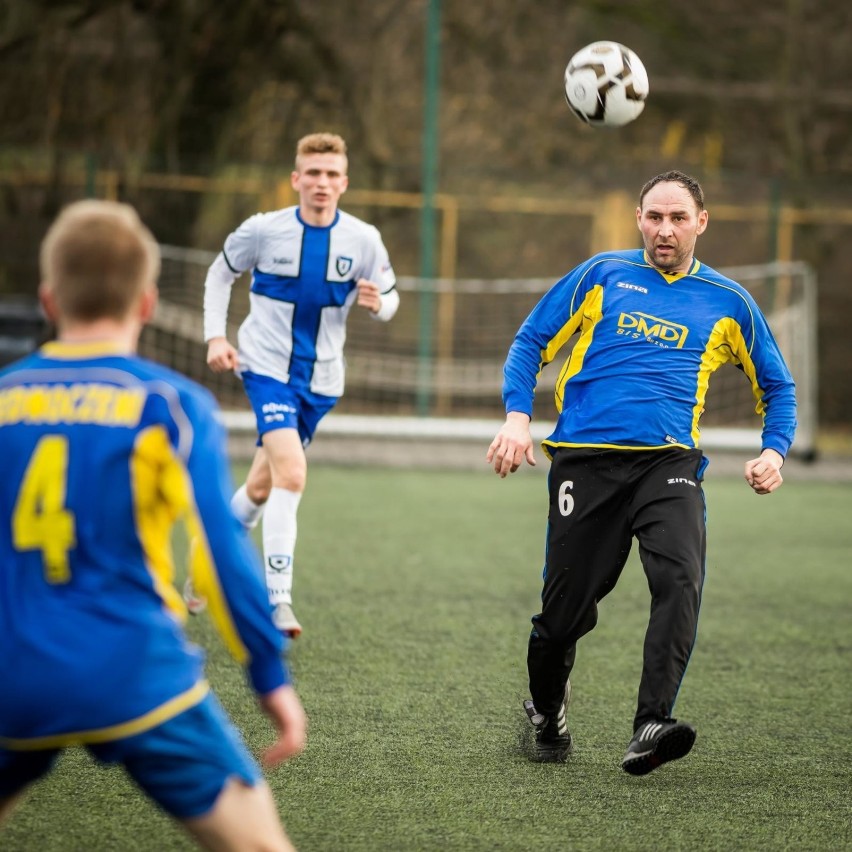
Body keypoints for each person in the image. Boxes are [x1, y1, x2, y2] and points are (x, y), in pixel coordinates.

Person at [0, 200, 307, 850]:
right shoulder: (170, 405)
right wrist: (269, 676)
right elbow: (220, 554)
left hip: (13, 670)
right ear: (145, 303)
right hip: (135, 670)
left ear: (49, 300)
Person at [487, 170, 797, 774]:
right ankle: (546, 711)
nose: (665, 229)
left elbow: (777, 386)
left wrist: (774, 451)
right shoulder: (602, 274)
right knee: (563, 617)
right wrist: (517, 418)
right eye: (655, 216)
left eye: (679, 218)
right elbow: (532, 341)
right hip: (585, 462)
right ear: (638, 218)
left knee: (680, 579)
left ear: (701, 223)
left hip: (669, 465)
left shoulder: (730, 302)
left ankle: (650, 722)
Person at [188, 131, 399, 637]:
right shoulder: (263, 230)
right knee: (293, 474)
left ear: (344, 183)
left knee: (262, 485)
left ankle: (203, 561)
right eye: (313, 174)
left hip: (322, 383)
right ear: (295, 179)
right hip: (264, 370)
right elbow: (219, 275)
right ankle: (277, 600)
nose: (321, 183)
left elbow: (391, 297)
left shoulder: (364, 239)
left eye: (331, 175)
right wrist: (215, 337)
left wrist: (380, 304)